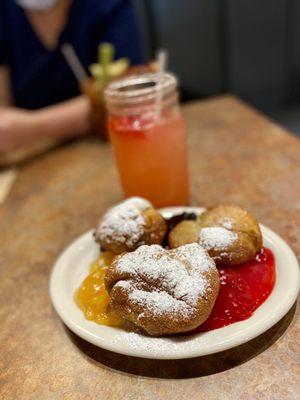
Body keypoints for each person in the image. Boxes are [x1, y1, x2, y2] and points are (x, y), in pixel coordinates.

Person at [0, 0, 144, 153]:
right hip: (35, 156)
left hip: (106, 146)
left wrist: (33, 128)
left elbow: (127, 93)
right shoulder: (5, 11)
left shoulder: (106, 6)